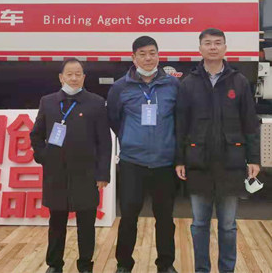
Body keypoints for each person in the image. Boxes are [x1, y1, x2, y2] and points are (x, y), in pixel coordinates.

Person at [175, 28, 260, 273]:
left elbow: (250, 122)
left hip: (231, 162)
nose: (213, 47)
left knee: (228, 226)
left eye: (217, 43)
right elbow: (181, 124)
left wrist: (254, 158)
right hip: (198, 162)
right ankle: (202, 269)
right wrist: (179, 159)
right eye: (208, 43)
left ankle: (226, 270)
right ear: (199, 48)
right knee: (199, 224)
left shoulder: (239, 81)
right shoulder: (188, 83)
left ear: (225, 48)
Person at [30, 58, 112, 273]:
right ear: (61, 77)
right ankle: (54, 265)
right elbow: (36, 134)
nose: (74, 78)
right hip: (56, 174)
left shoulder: (96, 102)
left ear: (84, 77)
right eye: (69, 74)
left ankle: (85, 265)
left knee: (86, 225)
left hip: (86, 174)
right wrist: (43, 156)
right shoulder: (48, 102)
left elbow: (104, 142)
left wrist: (102, 173)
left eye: (78, 74)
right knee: (56, 223)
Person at [107, 36, 179, 273]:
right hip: (132, 163)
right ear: (133, 57)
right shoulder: (121, 87)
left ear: (158, 55)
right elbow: (114, 119)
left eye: (152, 53)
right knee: (128, 217)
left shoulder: (173, 85)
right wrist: (131, 139)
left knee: (165, 218)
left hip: (164, 163)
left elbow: (180, 119)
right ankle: (124, 264)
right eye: (142, 54)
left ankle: (165, 264)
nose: (148, 58)